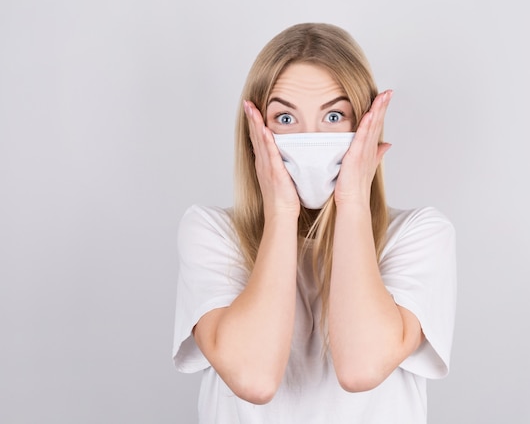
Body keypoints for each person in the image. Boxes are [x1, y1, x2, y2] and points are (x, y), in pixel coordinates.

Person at [172, 22, 456, 423]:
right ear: (255, 132)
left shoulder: (418, 235)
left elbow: (361, 368)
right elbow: (253, 379)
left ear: (365, 125)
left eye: (335, 116)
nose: (310, 137)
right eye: (285, 119)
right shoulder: (212, 233)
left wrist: (353, 200)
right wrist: (282, 214)